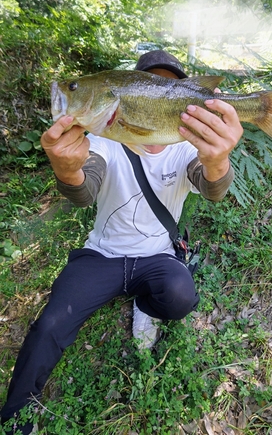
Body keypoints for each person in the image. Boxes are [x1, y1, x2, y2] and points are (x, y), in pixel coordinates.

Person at [0, 50, 243, 434]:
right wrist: (67, 169)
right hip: (102, 255)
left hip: (157, 254)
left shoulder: (186, 147)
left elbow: (211, 188)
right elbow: (84, 189)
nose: (158, 95)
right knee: (48, 326)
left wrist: (218, 161)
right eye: (150, 86)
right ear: (126, 92)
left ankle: (144, 304)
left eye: (169, 89)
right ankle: (15, 416)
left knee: (181, 296)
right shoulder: (104, 139)